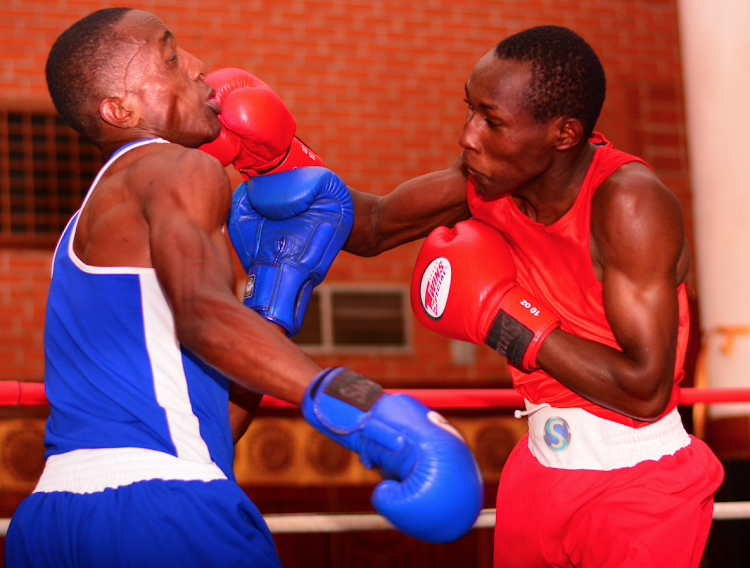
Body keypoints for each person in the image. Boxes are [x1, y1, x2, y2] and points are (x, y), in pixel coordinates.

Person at [5, 8, 484, 568]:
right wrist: (367, 408)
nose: (198, 66)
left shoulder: (91, 216)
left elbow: (204, 429)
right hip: (162, 513)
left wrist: (270, 305)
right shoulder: (178, 167)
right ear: (120, 109)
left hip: (50, 520)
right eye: (170, 56)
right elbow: (203, 316)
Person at [342, 25, 725, 568]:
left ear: (563, 134)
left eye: (492, 121)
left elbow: (646, 389)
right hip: (537, 471)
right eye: (470, 110)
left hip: (637, 485)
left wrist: (506, 319)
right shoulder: (488, 180)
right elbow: (373, 226)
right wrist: (274, 154)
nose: (468, 136)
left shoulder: (628, 204)